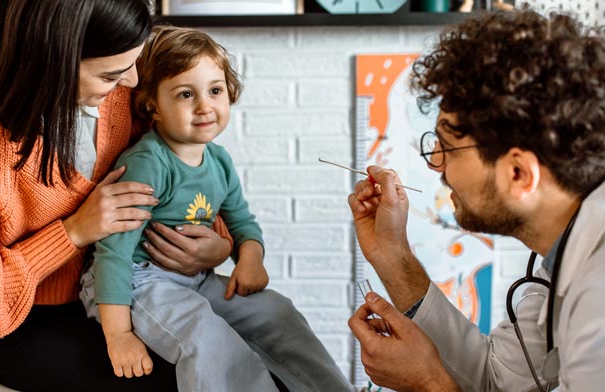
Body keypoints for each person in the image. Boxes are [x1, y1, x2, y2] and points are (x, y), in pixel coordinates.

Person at [0, 1, 239, 390]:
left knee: (249, 359)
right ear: (53, 62)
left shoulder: (120, 85)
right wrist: (74, 231)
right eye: (112, 74)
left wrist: (219, 245)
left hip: (121, 292)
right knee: (193, 377)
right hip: (18, 323)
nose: (134, 81)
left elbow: (179, 166)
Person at [78, 26, 353, 392]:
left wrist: (250, 258)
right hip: (135, 282)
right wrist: (120, 335)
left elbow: (242, 222)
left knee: (278, 312)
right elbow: (113, 253)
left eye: (215, 90)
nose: (205, 106)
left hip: (195, 280)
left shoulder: (219, 162)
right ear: (152, 107)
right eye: (186, 94)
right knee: (207, 336)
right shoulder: (149, 163)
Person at [347, 9, 605, 392]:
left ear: (519, 173)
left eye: (449, 147)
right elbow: (494, 379)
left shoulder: (598, 302)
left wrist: (428, 384)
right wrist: (392, 255)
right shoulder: (565, 256)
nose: (435, 163)